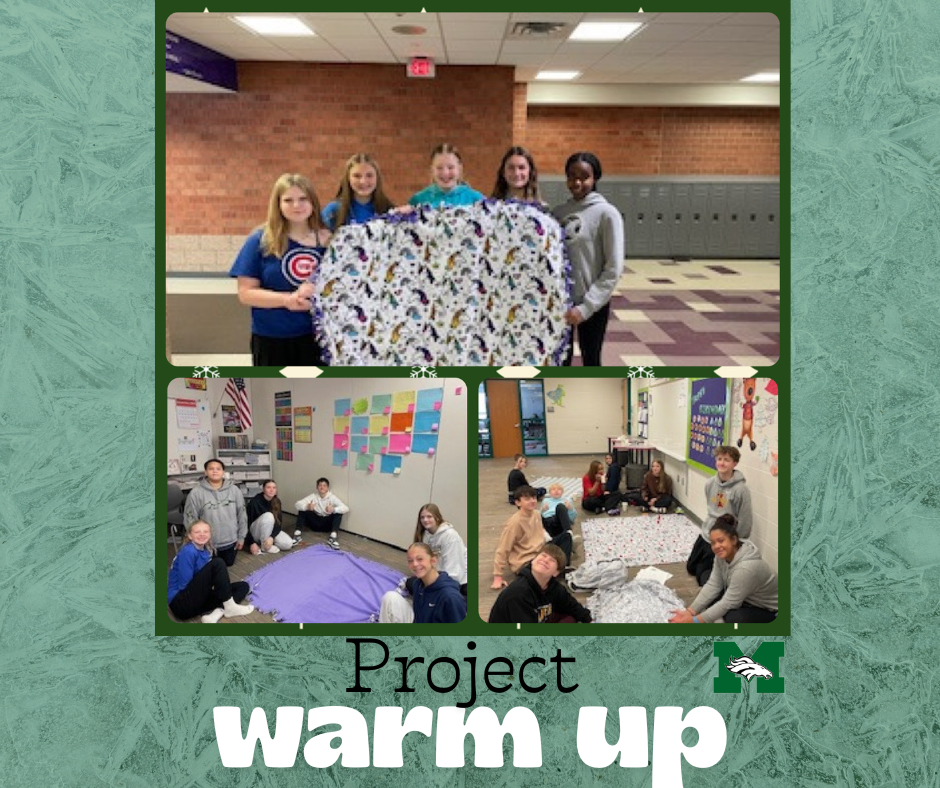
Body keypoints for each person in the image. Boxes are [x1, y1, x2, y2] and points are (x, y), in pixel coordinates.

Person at [229, 173, 332, 367]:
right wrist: (287, 300)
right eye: (288, 200)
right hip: (272, 337)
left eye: (303, 199)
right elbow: (245, 294)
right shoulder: (260, 240)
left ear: (313, 202)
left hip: (318, 337)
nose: (296, 206)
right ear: (278, 204)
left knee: (316, 394)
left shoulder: (329, 241)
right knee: (274, 394)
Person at [552, 152, 625, 367]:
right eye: (571, 176)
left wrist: (585, 308)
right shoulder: (559, 213)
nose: (577, 182)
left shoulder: (606, 214)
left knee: (590, 361)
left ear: (595, 179)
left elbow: (613, 268)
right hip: (562, 304)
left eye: (583, 177)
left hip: (592, 304)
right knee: (560, 362)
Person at [669, 515, 777, 624]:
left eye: (721, 541)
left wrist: (694, 621)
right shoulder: (721, 556)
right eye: (713, 543)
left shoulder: (746, 568)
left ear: (734, 540)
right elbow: (713, 585)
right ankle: (717, 618)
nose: (716, 546)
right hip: (745, 598)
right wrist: (690, 612)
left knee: (734, 618)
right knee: (707, 578)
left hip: (768, 609)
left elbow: (728, 603)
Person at [379, 505, 469, 623]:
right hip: (432, 578)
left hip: (456, 582)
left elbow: (455, 570)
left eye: (429, 516)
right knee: (393, 594)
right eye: (422, 517)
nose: (425, 520)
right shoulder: (419, 585)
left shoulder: (449, 596)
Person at [686, 446, 753, 586]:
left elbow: (746, 520)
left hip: (724, 538)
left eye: (727, 460)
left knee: (703, 577)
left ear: (734, 464)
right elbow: (711, 509)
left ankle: (719, 584)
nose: (722, 463)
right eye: (719, 459)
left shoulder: (741, 490)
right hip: (707, 534)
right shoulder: (710, 483)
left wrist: (734, 545)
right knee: (691, 568)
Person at [167, 520, 254, 623]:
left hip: (196, 599)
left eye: (205, 531)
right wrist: (209, 585)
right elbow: (184, 585)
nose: (202, 534)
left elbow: (206, 581)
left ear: (210, 534)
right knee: (218, 563)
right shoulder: (188, 551)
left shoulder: (205, 551)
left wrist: (215, 587)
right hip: (181, 603)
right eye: (197, 532)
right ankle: (230, 607)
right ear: (190, 536)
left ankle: (217, 613)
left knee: (242, 586)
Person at [492, 485, 573, 590]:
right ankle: (553, 571)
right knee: (538, 574)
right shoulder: (514, 523)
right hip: (526, 561)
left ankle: (560, 568)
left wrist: (550, 541)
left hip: (541, 552)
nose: (532, 501)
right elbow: (503, 549)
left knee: (566, 535)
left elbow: (541, 532)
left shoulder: (536, 514)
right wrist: (497, 576)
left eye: (533, 498)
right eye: (527, 499)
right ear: (518, 502)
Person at [489, 545, 592, 624]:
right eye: (543, 555)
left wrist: (589, 621)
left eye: (552, 560)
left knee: (570, 617)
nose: (545, 560)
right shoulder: (518, 593)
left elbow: (572, 606)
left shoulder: (555, 588)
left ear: (556, 572)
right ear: (533, 561)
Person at [183, 459, 247, 567]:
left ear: (223, 472)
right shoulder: (196, 493)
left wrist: (241, 536)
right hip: (207, 543)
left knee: (228, 565)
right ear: (205, 472)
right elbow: (190, 518)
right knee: (208, 569)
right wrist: (196, 540)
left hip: (230, 540)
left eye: (218, 469)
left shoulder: (234, 490)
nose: (215, 471)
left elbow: (242, 514)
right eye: (211, 469)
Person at [321, 153, 396, 231]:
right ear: (348, 179)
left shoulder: (390, 212)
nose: (363, 181)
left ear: (377, 178)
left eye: (369, 175)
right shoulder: (333, 211)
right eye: (357, 176)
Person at [408, 143, 484, 208]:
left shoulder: (476, 199)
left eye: (450, 167)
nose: (445, 173)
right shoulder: (418, 200)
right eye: (439, 168)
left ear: (459, 168)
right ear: (432, 169)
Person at [407, 542, 467, 624]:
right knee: (391, 598)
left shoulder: (450, 597)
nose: (415, 564)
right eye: (410, 561)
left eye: (420, 559)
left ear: (433, 561)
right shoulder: (417, 585)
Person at [245, 480, 298, 555]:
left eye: (274, 488)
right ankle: (264, 546)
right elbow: (246, 525)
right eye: (268, 487)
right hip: (255, 532)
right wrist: (251, 543)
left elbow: (278, 524)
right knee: (269, 516)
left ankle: (267, 543)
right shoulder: (254, 502)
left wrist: (271, 537)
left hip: (269, 531)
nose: (271, 490)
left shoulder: (277, 501)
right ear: (263, 489)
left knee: (288, 544)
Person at [295, 477, 349, 550]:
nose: (322, 487)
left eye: (324, 485)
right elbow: (297, 504)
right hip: (314, 523)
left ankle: (333, 538)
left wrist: (333, 509)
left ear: (327, 488)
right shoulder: (313, 496)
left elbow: (346, 508)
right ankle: (297, 535)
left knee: (338, 513)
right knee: (302, 509)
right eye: (320, 485)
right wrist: (307, 506)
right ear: (317, 487)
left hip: (327, 525)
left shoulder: (332, 497)